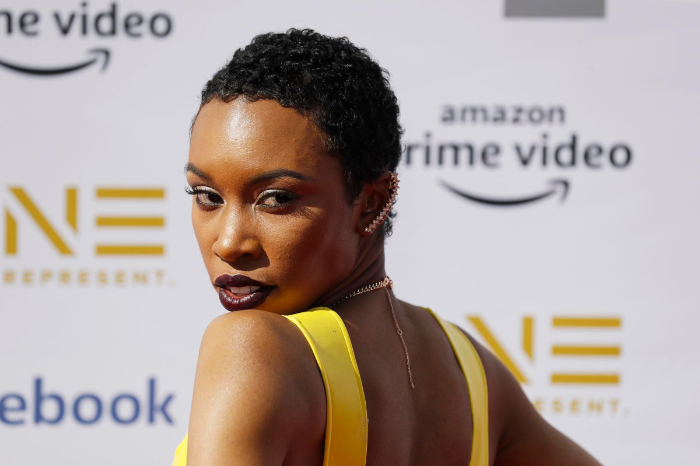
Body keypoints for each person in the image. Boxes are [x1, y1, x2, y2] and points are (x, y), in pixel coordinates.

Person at [173, 28, 601, 466]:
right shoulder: (473, 371)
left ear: (371, 203)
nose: (229, 243)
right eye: (206, 196)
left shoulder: (250, 346)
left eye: (276, 198)